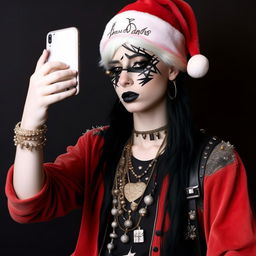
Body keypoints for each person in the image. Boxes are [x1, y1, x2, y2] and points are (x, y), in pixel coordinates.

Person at [5, 0, 256, 255]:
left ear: (171, 67)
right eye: (115, 69)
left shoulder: (216, 161)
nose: (123, 80)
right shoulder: (96, 148)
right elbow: (29, 205)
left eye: (137, 64)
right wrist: (31, 118)